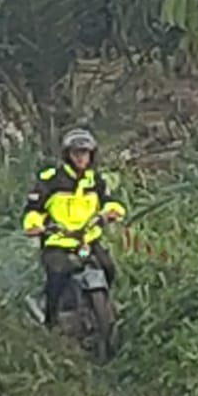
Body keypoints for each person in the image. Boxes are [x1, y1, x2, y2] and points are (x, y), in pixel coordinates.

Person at [21, 128, 126, 327]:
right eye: (76, 153)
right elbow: (33, 209)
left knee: (108, 267)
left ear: (91, 155)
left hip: (87, 240)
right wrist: (34, 225)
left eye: (85, 153)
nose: (80, 158)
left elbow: (109, 202)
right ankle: (50, 319)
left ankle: (105, 306)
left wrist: (111, 213)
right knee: (58, 273)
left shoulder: (95, 180)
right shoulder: (51, 180)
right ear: (68, 155)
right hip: (58, 241)